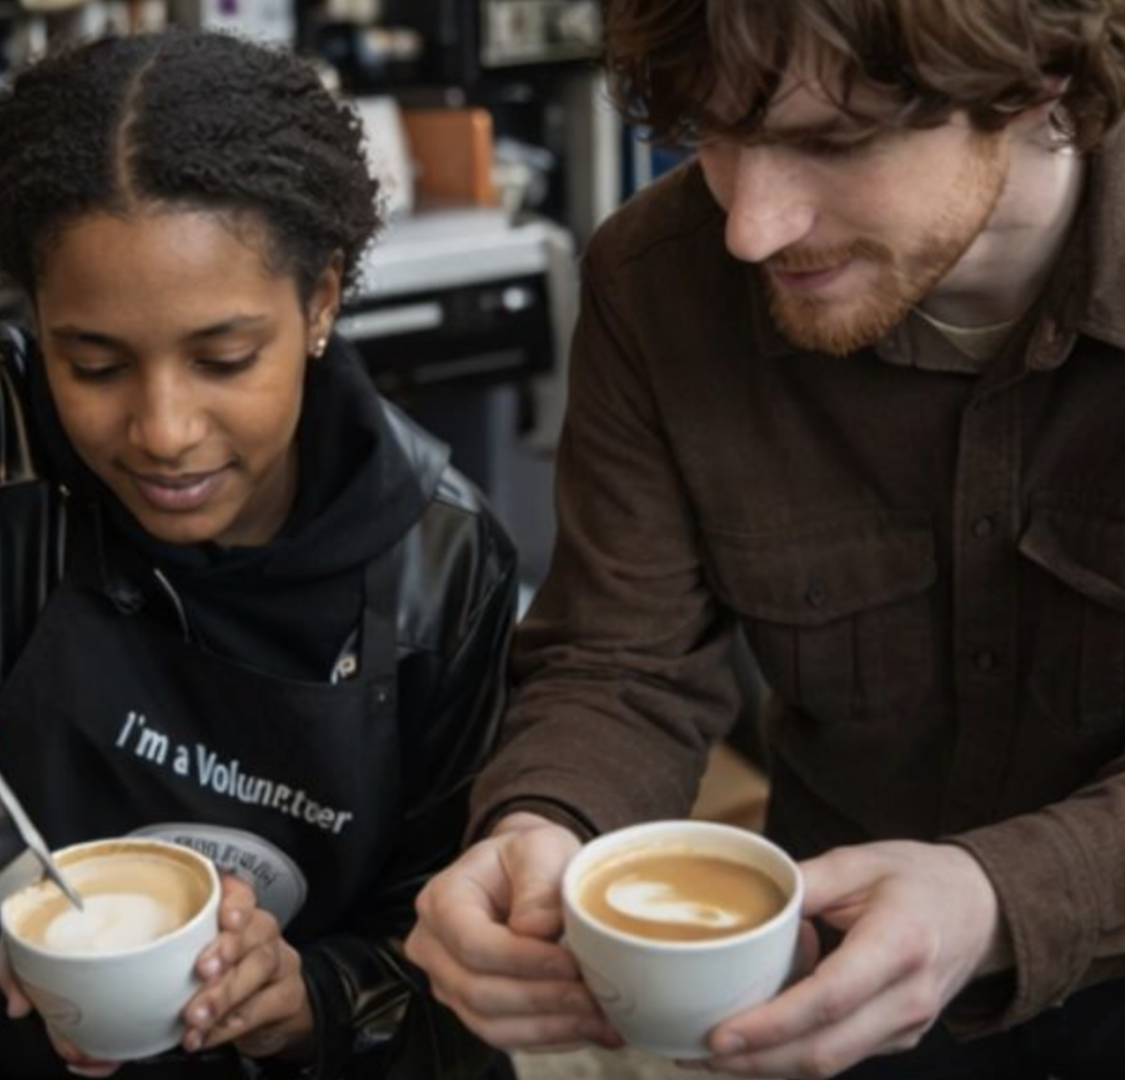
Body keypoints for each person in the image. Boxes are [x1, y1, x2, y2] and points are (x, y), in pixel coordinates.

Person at [0, 29, 518, 1080]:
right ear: (37, 320)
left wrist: (307, 999)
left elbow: (456, 973)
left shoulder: (447, 564)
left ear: (319, 304)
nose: (163, 430)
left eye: (224, 359)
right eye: (94, 364)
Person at [406, 1, 1125, 1078]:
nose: (750, 225)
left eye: (831, 142)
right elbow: (623, 661)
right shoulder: (656, 285)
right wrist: (540, 826)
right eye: (714, 134)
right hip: (816, 998)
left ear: (1033, 83)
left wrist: (1000, 895)